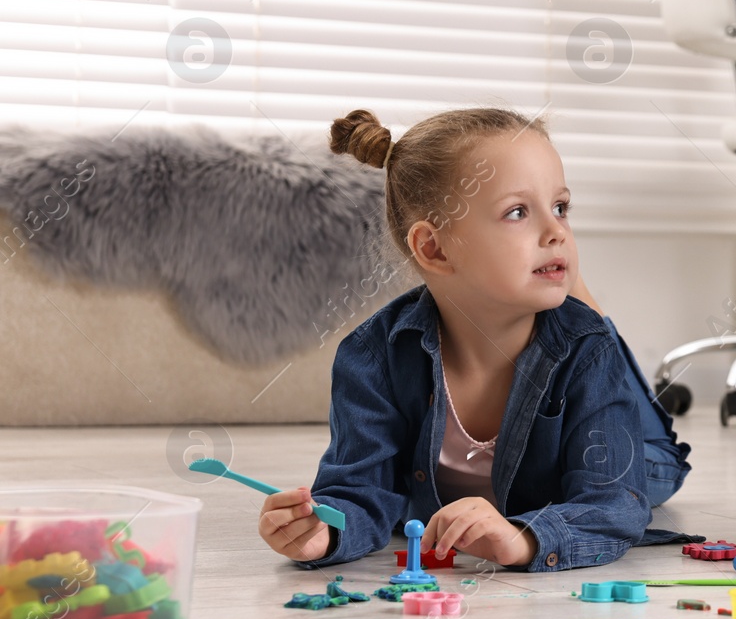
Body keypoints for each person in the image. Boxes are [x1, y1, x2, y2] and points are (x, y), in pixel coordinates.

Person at [257, 106, 690, 571]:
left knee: (644, 466)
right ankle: (557, 288)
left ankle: (573, 297)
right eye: (518, 212)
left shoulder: (588, 350)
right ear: (434, 248)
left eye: (561, 207)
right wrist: (324, 531)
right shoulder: (372, 355)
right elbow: (359, 492)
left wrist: (522, 539)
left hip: (629, 438)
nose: (556, 231)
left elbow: (614, 506)